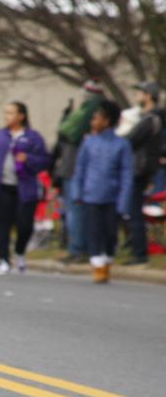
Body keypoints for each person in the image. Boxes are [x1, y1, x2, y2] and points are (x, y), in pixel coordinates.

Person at [0, 103, 49, 274]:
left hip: (25, 187)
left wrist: (28, 158)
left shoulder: (33, 137)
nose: (7, 116)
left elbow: (44, 160)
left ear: (21, 116)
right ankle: (3, 259)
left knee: (24, 225)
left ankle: (20, 252)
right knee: (2, 224)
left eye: (11, 113)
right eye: (5, 113)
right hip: (2, 187)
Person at [70, 100, 132, 283]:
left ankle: (107, 259)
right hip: (91, 195)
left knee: (110, 233)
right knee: (94, 231)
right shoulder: (89, 143)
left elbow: (126, 174)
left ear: (107, 121)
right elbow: (80, 169)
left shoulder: (122, 145)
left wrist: (124, 200)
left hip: (112, 196)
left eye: (96, 118)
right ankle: (97, 264)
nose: (92, 122)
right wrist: (77, 192)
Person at [54, 80, 105, 264]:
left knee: (76, 211)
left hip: (75, 169)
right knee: (76, 211)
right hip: (74, 168)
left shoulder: (86, 112)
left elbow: (65, 131)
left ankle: (77, 249)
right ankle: (77, 247)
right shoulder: (85, 112)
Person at [122, 82, 164, 265]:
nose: (137, 95)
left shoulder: (151, 118)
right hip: (141, 167)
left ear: (148, 96)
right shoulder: (146, 117)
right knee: (131, 210)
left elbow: (132, 139)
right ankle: (137, 249)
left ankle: (139, 254)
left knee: (134, 211)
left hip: (140, 168)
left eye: (140, 92)